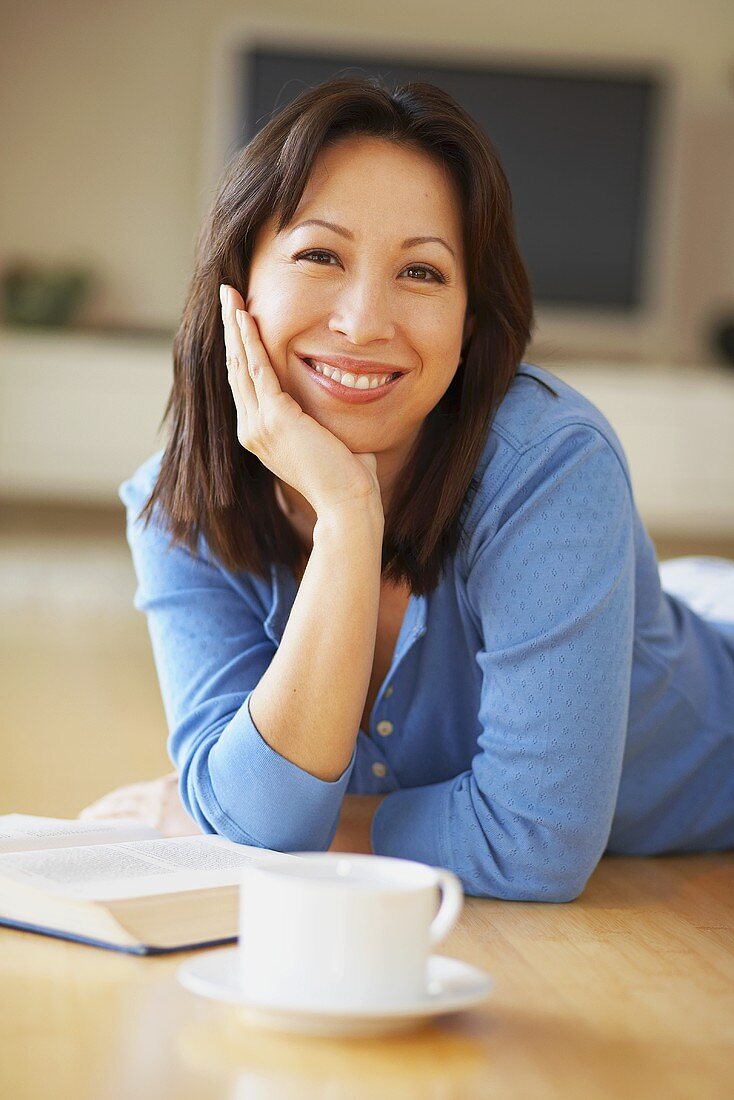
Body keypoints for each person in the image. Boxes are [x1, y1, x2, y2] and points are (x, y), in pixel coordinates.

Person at [79, 77, 734, 902]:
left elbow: (535, 845)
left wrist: (335, 825)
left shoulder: (553, 464)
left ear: (471, 321)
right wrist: (350, 519)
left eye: (421, 272)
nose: (363, 322)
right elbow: (258, 824)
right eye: (320, 254)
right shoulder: (180, 509)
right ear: (236, 282)